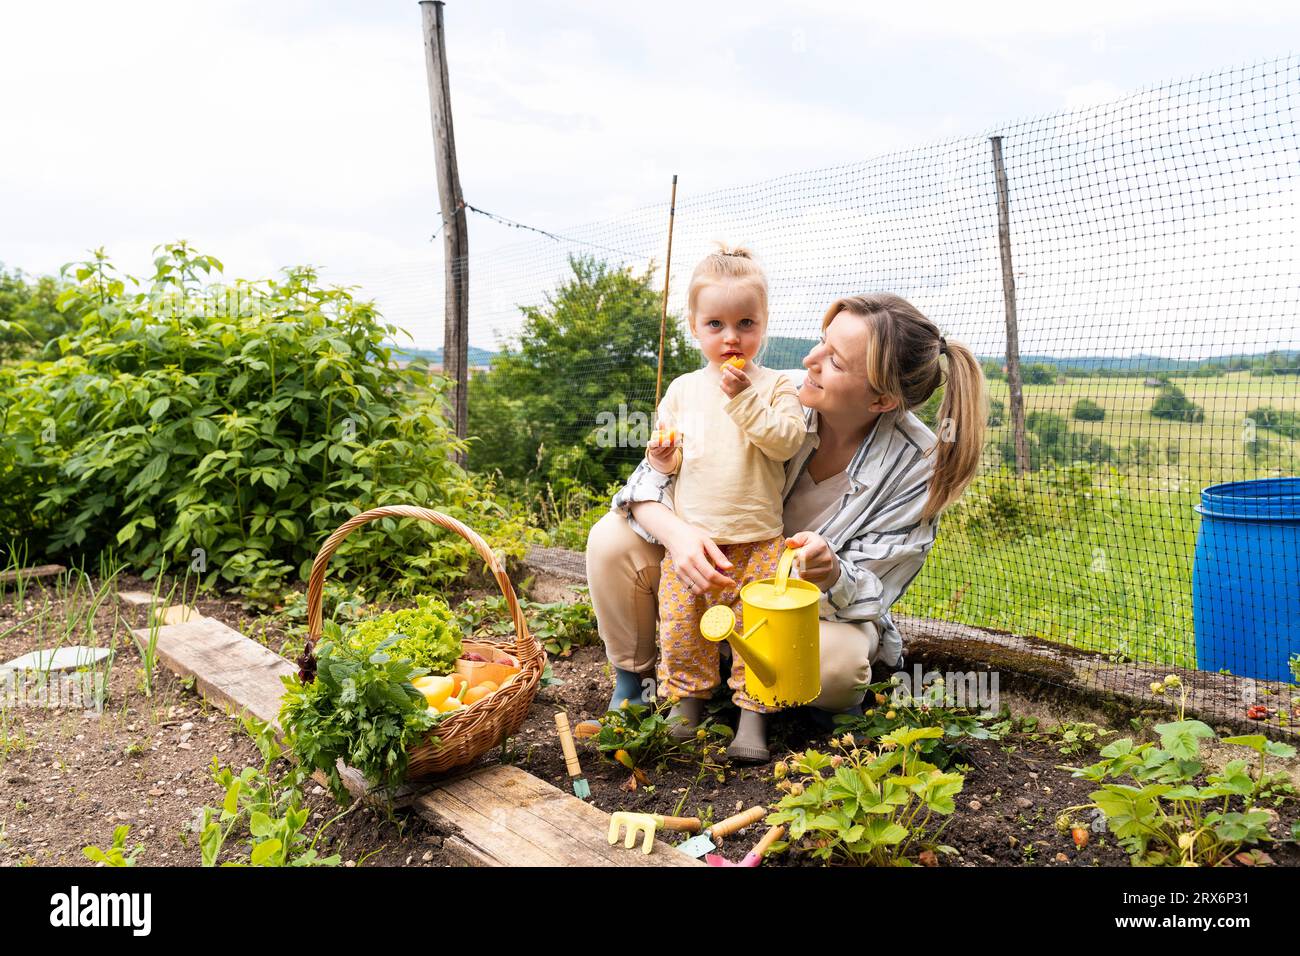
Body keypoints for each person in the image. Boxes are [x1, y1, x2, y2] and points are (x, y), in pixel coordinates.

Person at [582, 293, 987, 762]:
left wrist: (831, 572)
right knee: (612, 540)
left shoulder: (918, 463)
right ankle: (637, 682)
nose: (808, 360)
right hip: (711, 568)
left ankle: (775, 692)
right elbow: (644, 484)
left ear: (882, 399)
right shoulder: (769, 391)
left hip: (804, 609)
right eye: (820, 342)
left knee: (836, 667)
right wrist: (678, 534)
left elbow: (876, 591)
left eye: (834, 360)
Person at [642, 243, 806, 761]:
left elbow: (784, 442)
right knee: (682, 627)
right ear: (694, 326)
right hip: (697, 543)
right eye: (715, 324)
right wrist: (663, 458)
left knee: (757, 634)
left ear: (763, 324)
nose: (731, 337)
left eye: (745, 323)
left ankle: (752, 722)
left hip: (759, 541)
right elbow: (667, 465)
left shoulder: (776, 385)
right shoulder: (683, 390)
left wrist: (745, 399)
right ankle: (685, 707)